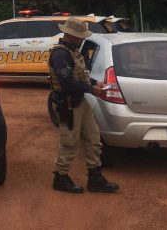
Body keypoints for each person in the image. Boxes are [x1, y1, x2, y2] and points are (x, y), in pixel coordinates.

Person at [49, 17, 119, 194]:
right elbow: (67, 82)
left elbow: (81, 75)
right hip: (68, 103)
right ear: (71, 35)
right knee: (70, 142)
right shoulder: (60, 55)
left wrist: (95, 83)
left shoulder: (73, 51)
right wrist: (92, 89)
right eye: (80, 37)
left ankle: (95, 178)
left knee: (93, 138)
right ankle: (60, 177)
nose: (82, 40)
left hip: (79, 100)